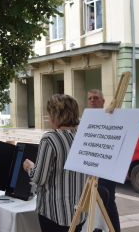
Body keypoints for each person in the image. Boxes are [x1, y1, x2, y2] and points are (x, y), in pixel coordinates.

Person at [23, 94, 88, 232]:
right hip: (80, 212)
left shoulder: (51, 138)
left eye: (49, 113)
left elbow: (38, 178)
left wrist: (29, 166)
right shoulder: (84, 136)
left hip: (56, 213)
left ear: (55, 114)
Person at [88, 89, 121, 232]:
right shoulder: (87, 118)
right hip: (90, 166)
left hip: (106, 168)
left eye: (95, 98)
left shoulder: (111, 118)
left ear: (103, 101)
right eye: (90, 98)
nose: (92, 100)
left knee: (107, 202)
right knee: (91, 205)